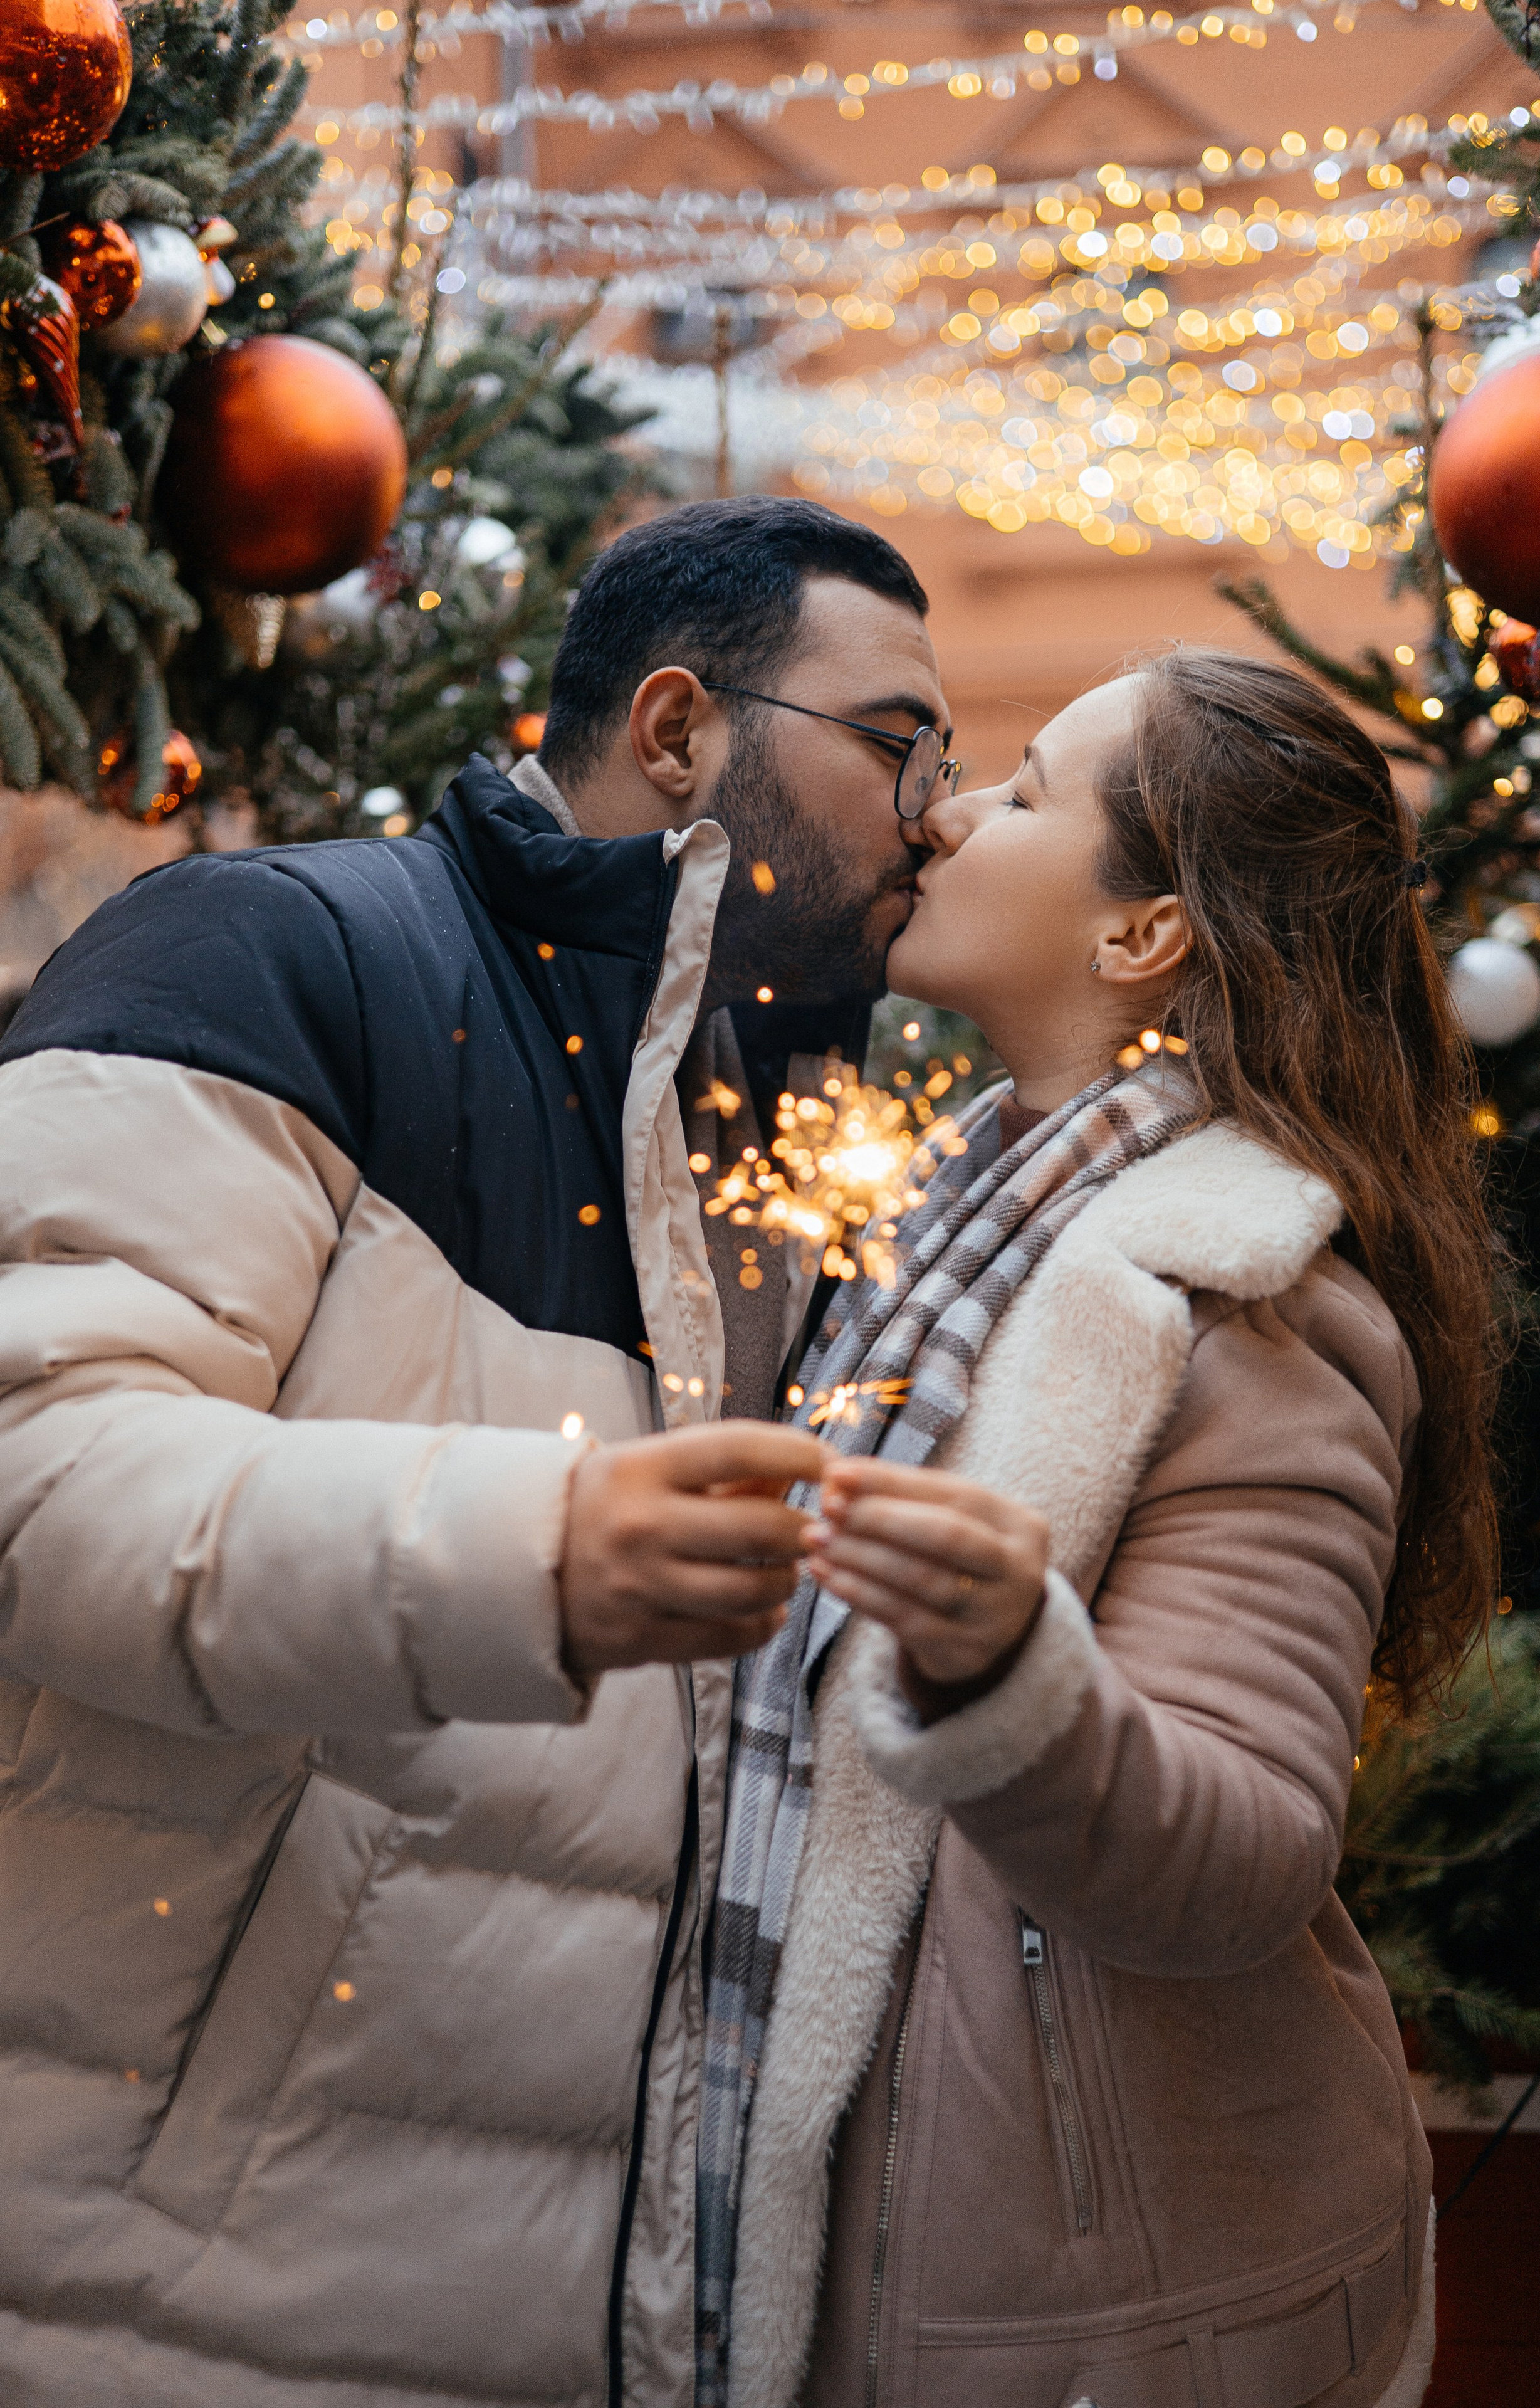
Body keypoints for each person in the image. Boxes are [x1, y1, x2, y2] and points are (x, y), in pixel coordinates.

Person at [0, 496, 957, 2407]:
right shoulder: (277, 947)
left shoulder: (780, 1153)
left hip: (552, 2324)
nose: (940, 811)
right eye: (900, 742)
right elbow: (43, 1475)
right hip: (166, 2298)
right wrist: (544, 1549)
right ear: (679, 731)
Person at [705, 650, 1499, 2408]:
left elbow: (1246, 1856)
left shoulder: (1250, 1316)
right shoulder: (950, 1221)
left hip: (1100, 2313)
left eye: (1032, 793)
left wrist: (1009, 1670)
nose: (954, 810)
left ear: (1144, 936)